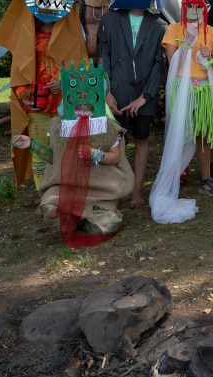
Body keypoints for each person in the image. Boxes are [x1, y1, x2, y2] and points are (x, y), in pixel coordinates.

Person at [0, 0, 88, 194]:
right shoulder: (28, 35)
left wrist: (64, 82)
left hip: (63, 106)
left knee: (63, 152)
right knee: (39, 151)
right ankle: (44, 197)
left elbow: (81, 68)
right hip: (37, 105)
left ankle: (62, 196)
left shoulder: (72, 34)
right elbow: (20, 69)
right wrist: (23, 94)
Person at [11, 61, 134, 247]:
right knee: (50, 209)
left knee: (103, 226)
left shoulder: (107, 127)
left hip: (101, 190)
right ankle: (73, 213)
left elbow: (115, 157)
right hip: (67, 187)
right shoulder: (59, 126)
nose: (82, 97)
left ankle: (90, 215)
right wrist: (32, 145)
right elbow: (54, 158)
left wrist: (96, 154)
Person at [98, 0, 170, 209]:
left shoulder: (159, 25)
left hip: (143, 95)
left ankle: (137, 191)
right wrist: (106, 92)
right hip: (115, 93)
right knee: (114, 143)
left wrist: (145, 97)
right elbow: (102, 58)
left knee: (141, 138)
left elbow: (158, 65)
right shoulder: (109, 21)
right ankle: (116, 192)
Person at [162, 0, 213, 197]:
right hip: (181, 88)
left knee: (203, 134)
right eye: (189, 5)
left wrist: (210, 57)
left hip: (204, 88)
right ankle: (175, 174)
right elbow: (172, 63)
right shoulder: (173, 29)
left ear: (204, 8)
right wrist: (187, 42)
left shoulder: (212, 32)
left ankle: (205, 179)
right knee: (179, 132)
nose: (193, 10)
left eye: (198, 6)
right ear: (183, 7)